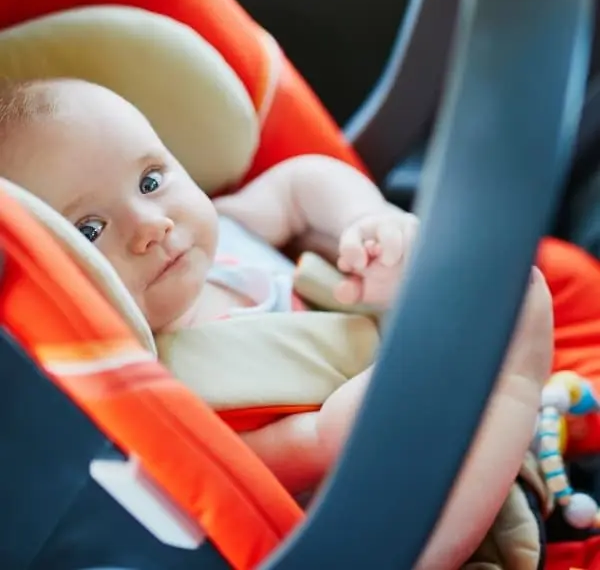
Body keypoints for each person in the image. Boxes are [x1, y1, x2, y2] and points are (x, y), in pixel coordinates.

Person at [0, 77, 553, 569]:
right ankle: (513, 384)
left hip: (447, 413)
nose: (152, 225)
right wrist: (426, 363)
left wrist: (367, 221)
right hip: (395, 518)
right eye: (90, 230)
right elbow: (312, 444)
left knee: (510, 284)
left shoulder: (232, 228)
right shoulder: (163, 398)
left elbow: (300, 184)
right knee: (518, 308)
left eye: (150, 180)